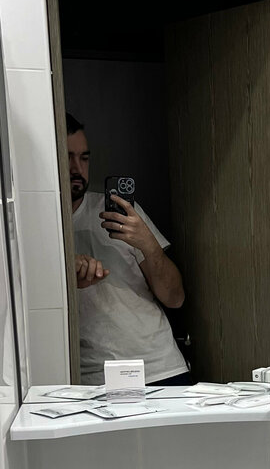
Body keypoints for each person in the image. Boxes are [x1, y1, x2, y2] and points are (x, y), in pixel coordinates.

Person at [67, 113, 189, 386]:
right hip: (91, 378)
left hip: (161, 367)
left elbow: (175, 298)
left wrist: (148, 244)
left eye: (84, 158)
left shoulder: (119, 212)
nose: (77, 168)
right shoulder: (32, 227)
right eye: (67, 157)